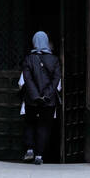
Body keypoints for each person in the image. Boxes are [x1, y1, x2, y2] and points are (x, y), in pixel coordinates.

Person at [18, 31, 62, 164]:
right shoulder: (54, 60)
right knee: (44, 127)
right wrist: (46, 96)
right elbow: (56, 81)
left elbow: (27, 79)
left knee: (30, 123)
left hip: (32, 100)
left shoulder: (29, 59)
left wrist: (35, 96)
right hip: (48, 102)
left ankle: (30, 148)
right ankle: (39, 156)